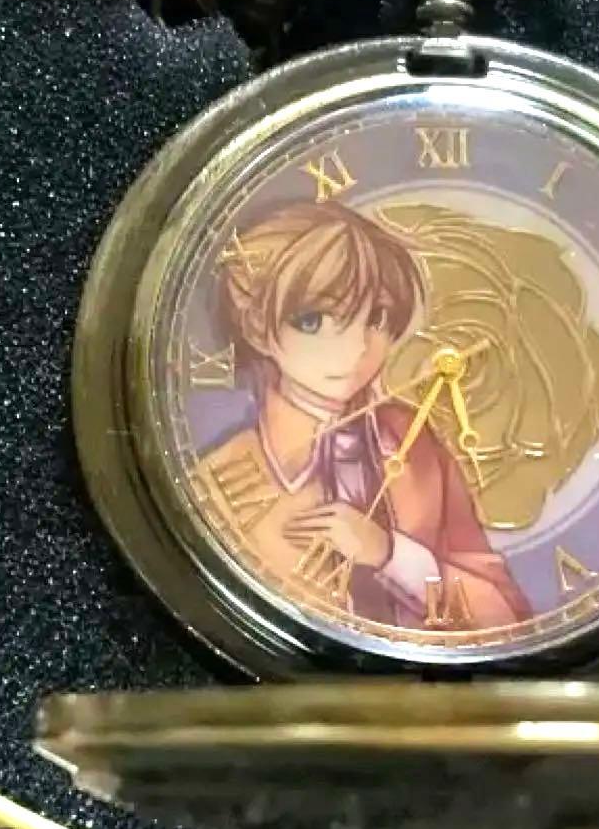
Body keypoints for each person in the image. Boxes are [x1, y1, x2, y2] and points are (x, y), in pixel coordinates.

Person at [196, 199, 530, 631]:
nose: (356, 348)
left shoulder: (413, 440)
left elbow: (506, 620)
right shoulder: (220, 482)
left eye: (377, 317)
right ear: (258, 329)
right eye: (312, 321)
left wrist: (391, 554)